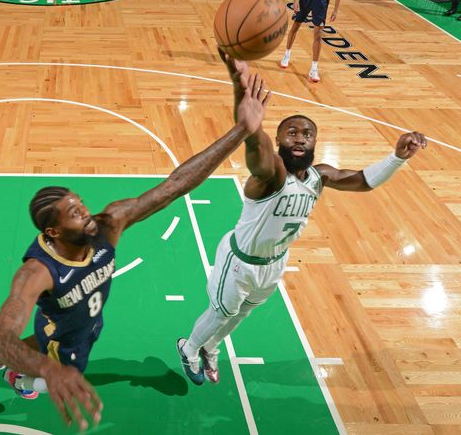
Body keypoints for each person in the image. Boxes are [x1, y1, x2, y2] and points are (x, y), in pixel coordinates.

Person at [0, 57, 271, 431]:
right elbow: (4, 340)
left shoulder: (109, 224)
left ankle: (19, 363)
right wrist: (50, 373)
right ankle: (17, 379)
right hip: (64, 333)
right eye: (72, 213)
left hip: (85, 321)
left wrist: (241, 130)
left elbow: (175, 185)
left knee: (47, 336)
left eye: (80, 203)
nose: (85, 212)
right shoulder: (36, 272)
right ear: (52, 232)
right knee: (50, 359)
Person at [176, 55, 427, 386]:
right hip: (239, 263)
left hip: (275, 263)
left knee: (244, 312)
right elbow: (257, 152)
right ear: (279, 141)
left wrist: (397, 157)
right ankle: (190, 347)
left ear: (314, 142)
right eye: (290, 133)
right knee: (223, 311)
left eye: (306, 133)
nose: (298, 137)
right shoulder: (270, 175)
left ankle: (212, 345)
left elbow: (362, 181)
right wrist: (249, 119)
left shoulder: (319, 176)